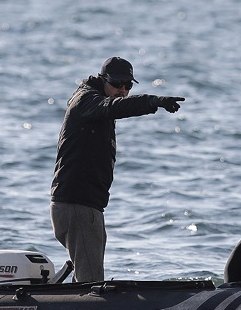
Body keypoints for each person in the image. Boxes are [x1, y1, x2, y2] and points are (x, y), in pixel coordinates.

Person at [50, 56, 185, 282]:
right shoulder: (87, 100)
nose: (122, 90)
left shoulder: (95, 104)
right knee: (91, 284)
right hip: (77, 206)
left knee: (86, 277)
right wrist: (153, 101)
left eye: (128, 86)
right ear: (103, 79)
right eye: (117, 84)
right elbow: (112, 107)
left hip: (85, 206)